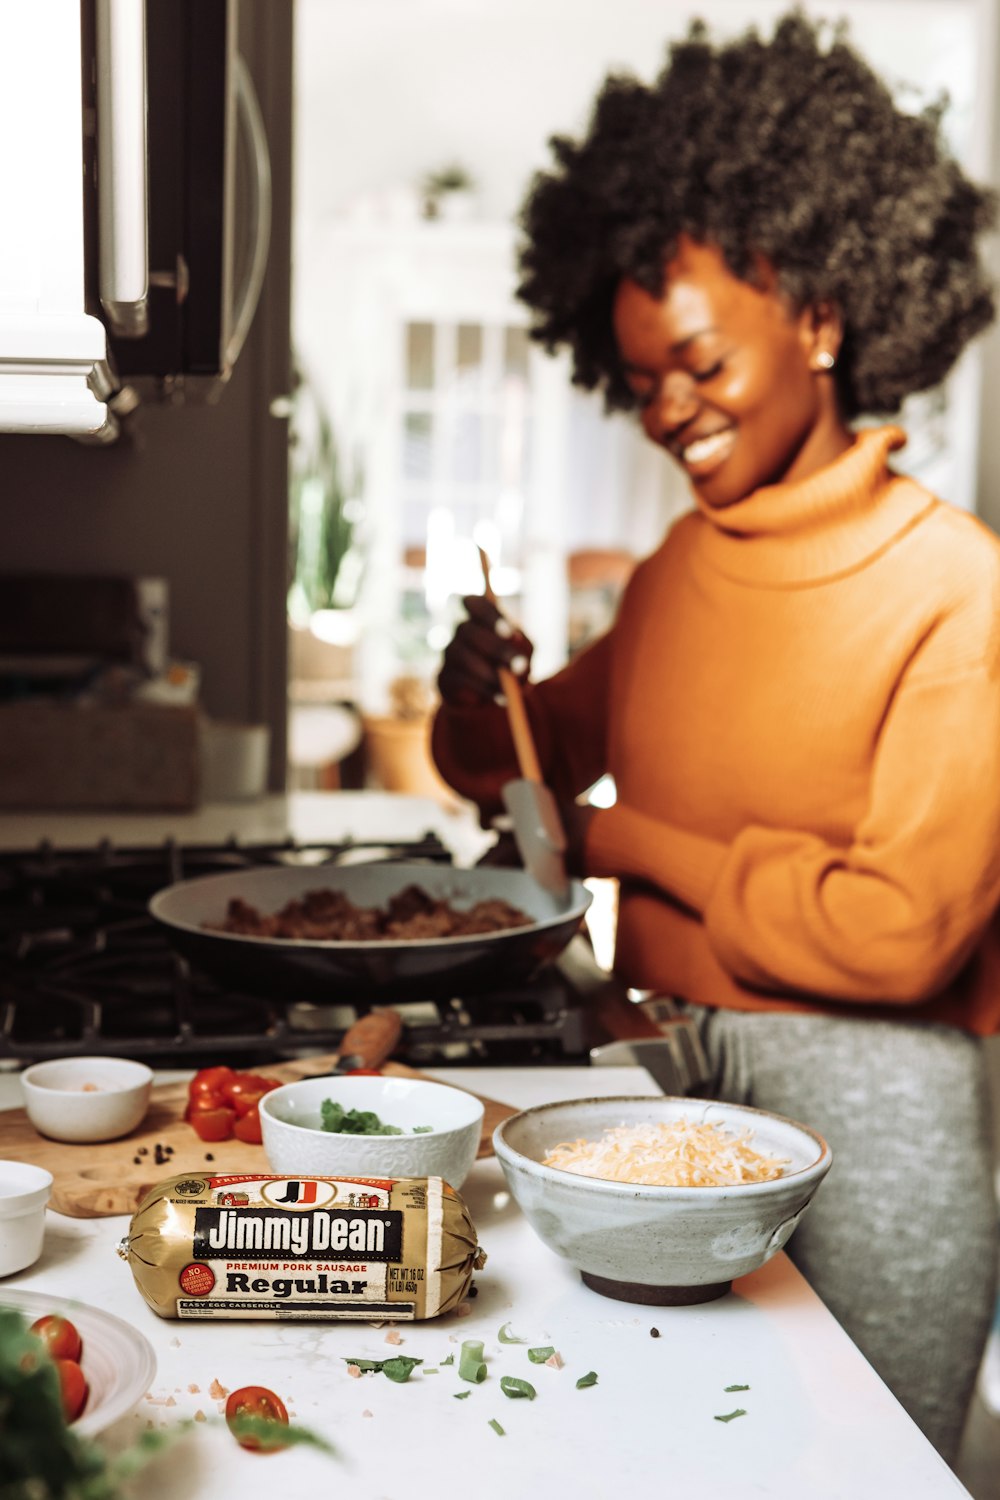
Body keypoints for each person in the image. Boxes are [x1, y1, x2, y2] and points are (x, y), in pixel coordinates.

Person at [431, 11, 1000, 1466]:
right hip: (656, 1072)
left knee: (858, 1469)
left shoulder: (961, 588)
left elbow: (898, 939)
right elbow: (518, 777)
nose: (668, 412)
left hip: (880, 1114)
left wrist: (625, 843)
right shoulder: (681, 569)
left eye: (696, 363)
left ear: (821, 312)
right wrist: (476, 693)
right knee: (656, 1458)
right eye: (639, 383)